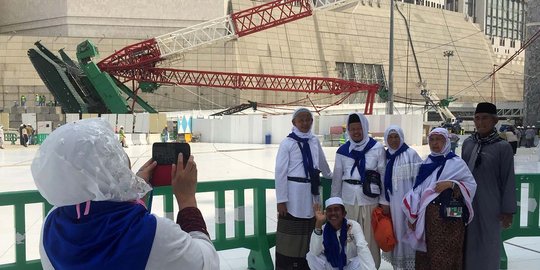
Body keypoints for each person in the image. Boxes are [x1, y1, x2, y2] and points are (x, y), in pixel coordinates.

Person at [31, 118, 219, 269]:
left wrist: (132, 190)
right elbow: (207, 262)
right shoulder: (155, 235)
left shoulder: (51, 225)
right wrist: (187, 199)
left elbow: (103, 211)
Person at [402, 128, 476, 270]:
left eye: (439, 139)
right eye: (432, 140)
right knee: (427, 256)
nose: (435, 143)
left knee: (447, 257)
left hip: (450, 221)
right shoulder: (427, 163)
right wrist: (412, 217)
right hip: (428, 219)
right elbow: (418, 190)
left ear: (446, 141)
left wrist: (452, 184)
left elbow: (471, 185)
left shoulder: (456, 163)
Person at [275, 107, 332, 270]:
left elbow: (322, 162)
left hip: (312, 191)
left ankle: (309, 263)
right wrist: (281, 200)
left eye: (308, 119)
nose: (305, 123)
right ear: (294, 122)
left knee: (311, 226)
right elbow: (280, 172)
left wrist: (331, 176)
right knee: (291, 232)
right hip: (293, 193)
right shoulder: (288, 143)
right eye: (302, 120)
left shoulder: (314, 141)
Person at [462, 102, 516, 270]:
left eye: (485, 118)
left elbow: (508, 179)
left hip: (491, 206)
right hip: (467, 204)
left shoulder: (503, 147)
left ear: (495, 120)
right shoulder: (468, 144)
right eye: (477, 118)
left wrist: (507, 210)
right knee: (467, 243)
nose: (480, 122)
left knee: (489, 244)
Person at [331, 113, 388, 269]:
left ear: (365, 128)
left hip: (370, 201)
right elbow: (336, 179)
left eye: (359, 128)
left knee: (369, 240)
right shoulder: (342, 151)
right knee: (349, 239)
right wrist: (334, 203)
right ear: (348, 130)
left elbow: (382, 176)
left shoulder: (376, 148)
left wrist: (384, 201)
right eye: (352, 129)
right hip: (348, 200)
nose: (356, 132)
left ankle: (371, 266)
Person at [382, 125, 422, 270]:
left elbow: (420, 182)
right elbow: (382, 182)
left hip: (410, 205)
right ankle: (398, 266)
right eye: (390, 137)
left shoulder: (411, 154)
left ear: (401, 137)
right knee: (395, 234)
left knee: (410, 233)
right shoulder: (384, 156)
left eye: (396, 137)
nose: (393, 140)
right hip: (392, 205)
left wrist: (415, 205)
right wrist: (384, 202)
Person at [307, 197, 375, 270]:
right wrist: (319, 222)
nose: (333, 213)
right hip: (331, 266)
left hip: (349, 265)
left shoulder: (353, 225)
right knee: (311, 255)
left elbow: (362, 247)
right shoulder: (323, 228)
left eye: (336, 210)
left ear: (344, 214)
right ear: (326, 214)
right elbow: (315, 251)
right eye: (329, 210)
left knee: (360, 259)